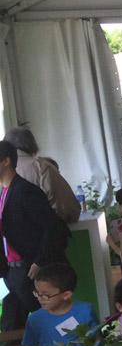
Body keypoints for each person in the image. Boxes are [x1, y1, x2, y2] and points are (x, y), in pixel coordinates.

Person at [0, 140, 70, 331]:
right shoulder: (4, 192)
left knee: (52, 320)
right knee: (11, 326)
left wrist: (39, 261)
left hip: (30, 269)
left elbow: (53, 227)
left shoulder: (25, 190)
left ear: (6, 161)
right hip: (12, 271)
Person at [20, 262, 97, 346]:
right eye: (37, 293)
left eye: (45, 295)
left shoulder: (85, 311)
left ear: (66, 295)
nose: (39, 298)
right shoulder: (35, 318)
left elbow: (96, 341)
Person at [3, 126, 81, 224]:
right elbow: (68, 208)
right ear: (32, 144)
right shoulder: (42, 168)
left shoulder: (4, 169)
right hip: (43, 229)